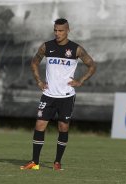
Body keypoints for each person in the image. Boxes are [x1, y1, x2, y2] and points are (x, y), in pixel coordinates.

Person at [20, 18, 96, 171]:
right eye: (55, 30)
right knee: (39, 125)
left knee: (63, 127)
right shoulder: (47, 46)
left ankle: (57, 162)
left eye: (61, 30)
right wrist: (39, 81)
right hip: (48, 95)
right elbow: (34, 62)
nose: (57, 33)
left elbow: (92, 65)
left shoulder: (76, 49)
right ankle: (35, 162)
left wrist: (80, 80)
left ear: (68, 30)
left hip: (66, 96)